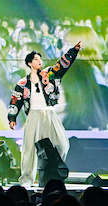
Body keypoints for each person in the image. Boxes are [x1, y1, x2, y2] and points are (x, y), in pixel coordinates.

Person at [8, 42, 82, 187]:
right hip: (33, 115)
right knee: (29, 149)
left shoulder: (49, 75)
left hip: (50, 113)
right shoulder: (22, 83)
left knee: (62, 144)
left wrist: (73, 51)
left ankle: (53, 172)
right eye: (36, 59)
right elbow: (15, 100)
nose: (40, 61)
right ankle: (27, 179)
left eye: (40, 59)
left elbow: (62, 65)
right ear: (29, 63)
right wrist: (12, 118)